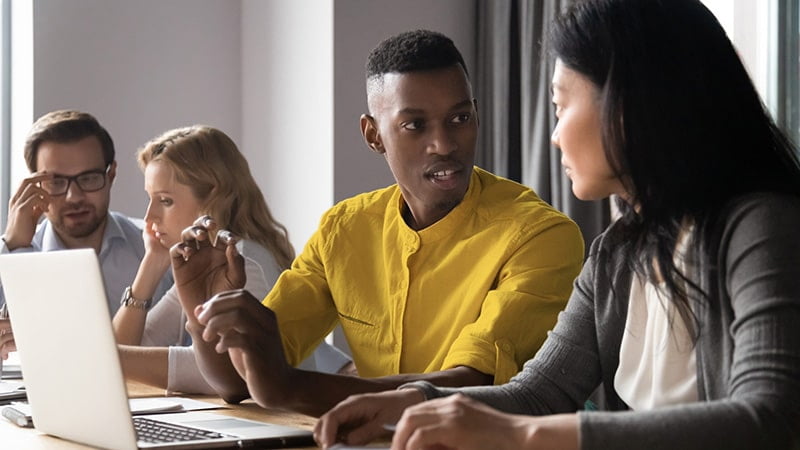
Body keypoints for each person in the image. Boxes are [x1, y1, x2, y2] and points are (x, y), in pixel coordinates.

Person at [313, 0, 800, 449]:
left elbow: (771, 417)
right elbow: (540, 392)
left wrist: (521, 435)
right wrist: (417, 399)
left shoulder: (759, 226)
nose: (553, 136)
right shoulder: (618, 251)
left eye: (561, 106)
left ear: (630, 105)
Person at [169, 30, 584, 417]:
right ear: (373, 135)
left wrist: (288, 387)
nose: (444, 144)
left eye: (459, 119)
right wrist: (201, 314)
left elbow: (467, 388)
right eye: (415, 125)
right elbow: (238, 382)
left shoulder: (541, 235)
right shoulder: (344, 230)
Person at [112, 125, 352, 394]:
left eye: (165, 201)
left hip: (278, 425)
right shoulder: (200, 260)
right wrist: (152, 265)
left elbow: (232, 376)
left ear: (212, 198)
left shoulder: (244, 260)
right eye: (150, 199)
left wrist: (103, 357)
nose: (148, 218)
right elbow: (133, 349)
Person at [0, 110, 171, 357]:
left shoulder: (156, 247)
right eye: (56, 182)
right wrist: (13, 246)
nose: (74, 197)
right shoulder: (12, 253)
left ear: (110, 175)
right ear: (35, 185)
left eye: (88, 178)